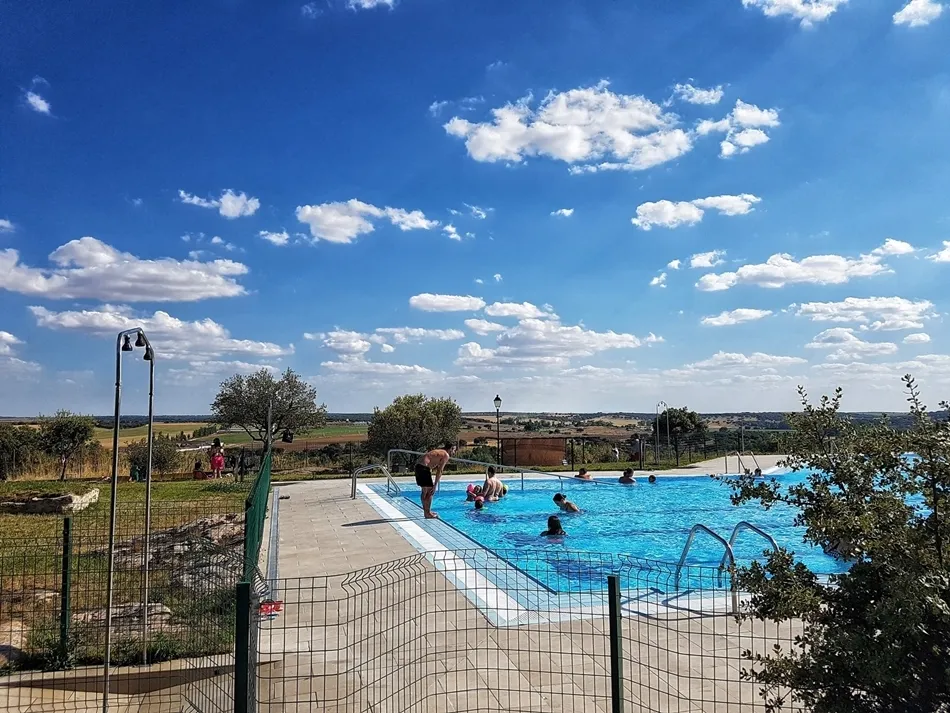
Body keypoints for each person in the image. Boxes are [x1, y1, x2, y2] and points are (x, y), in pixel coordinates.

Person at [414, 444, 455, 519]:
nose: (454, 452)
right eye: (454, 450)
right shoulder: (446, 455)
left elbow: (430, 462)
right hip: (424, 468)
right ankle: (428, 513)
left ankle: (426, 512)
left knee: (424, 491)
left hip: (418, 466)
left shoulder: (438, 452)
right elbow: (440, 470)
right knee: (431, 491)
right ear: (450, 449)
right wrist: (435, 485)